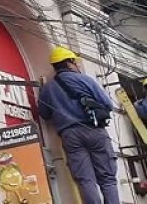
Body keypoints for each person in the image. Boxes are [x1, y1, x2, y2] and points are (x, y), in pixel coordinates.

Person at [38, 46, 119, 204]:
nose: (78, 66)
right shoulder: (85, 79)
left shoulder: (47, 88)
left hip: (70, 135)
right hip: (94, 130)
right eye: (76, 62)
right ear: (69, 63)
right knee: (108, 179)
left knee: (85, 180)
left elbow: (44, 114)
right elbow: (107, 104)